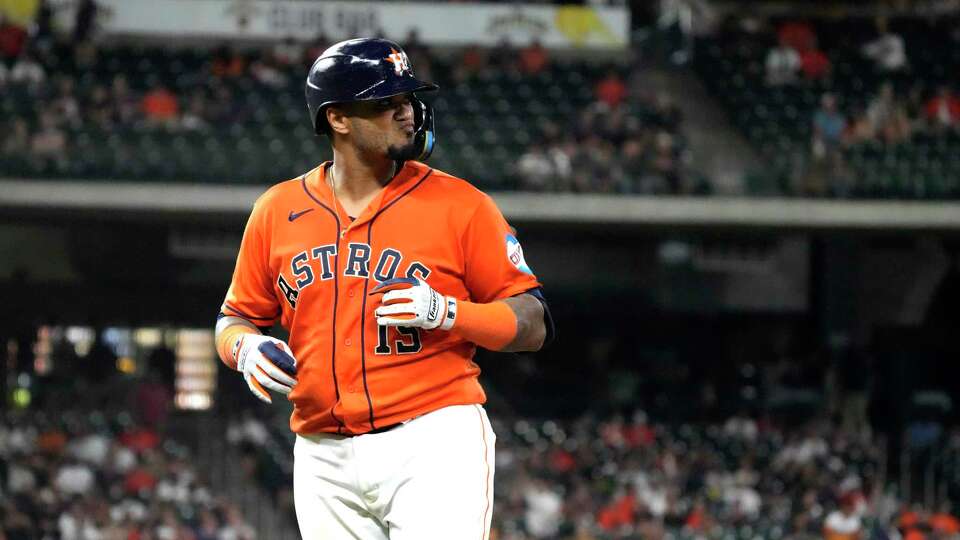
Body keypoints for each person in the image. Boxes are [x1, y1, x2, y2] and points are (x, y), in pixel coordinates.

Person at [214, 38, 552, 539]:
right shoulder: (276, 210)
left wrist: (449, 313)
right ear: (338, 119)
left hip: (433, 438)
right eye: (384, 103)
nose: (405, 113)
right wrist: (243, 348)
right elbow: (234, 317)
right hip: (321, 452)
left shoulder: (462, 205)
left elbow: (533, 324)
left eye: (406, 100)